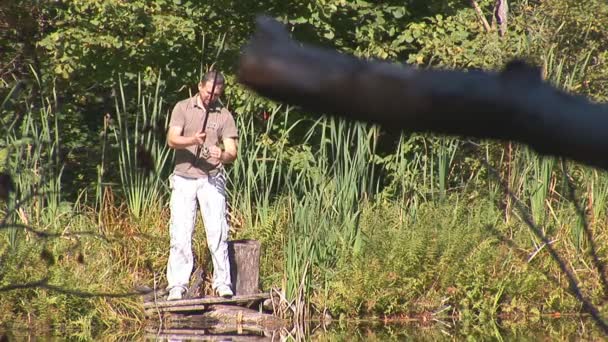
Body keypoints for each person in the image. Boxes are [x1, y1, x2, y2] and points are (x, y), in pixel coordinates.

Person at [165, 70, 238, 300]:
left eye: (216, 94)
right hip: (184, 177)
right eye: (208, 93)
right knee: (180, 232)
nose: (211, 98)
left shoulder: (224, 115)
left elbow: (232, 153)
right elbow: (172, 140)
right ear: (199, 87)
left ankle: (222, 283)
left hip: (211, 178)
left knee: (217, 232)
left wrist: (222, 154)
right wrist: (193, 140)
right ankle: (177, 285)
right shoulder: (182, 108)